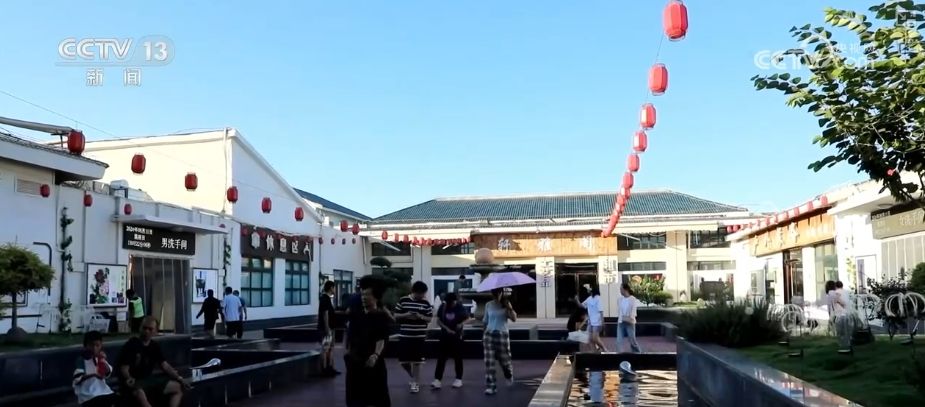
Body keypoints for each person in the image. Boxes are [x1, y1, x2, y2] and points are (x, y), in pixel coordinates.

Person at [117, 316, 191, 407]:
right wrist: (128, 378)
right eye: (144, 328)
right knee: (140, 394)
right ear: (140, 328)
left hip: (149, 381)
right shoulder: (132, 344)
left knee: (177, 387)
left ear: (155, 331)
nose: (147, 331)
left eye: (150, 329)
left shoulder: (154, 346)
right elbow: (124, 368)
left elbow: (165, 365)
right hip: (135, 382)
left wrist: (179, 378)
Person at [344, 281, 392, 407]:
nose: (364, 297)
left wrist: (375, 355)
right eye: (362, 295)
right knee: (354, 397)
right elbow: (349, 336)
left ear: (376, 297)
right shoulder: (355, 315)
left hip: (373, 362)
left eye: (367, 295)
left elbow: (381, 339)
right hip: (355, 361)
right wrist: (348, 352)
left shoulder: (380, 316)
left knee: (379, 396)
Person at [395, 281, 433, 393]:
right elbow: (396, 315)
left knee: (417, 361)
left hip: (419, 336)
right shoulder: (403, 300)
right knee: (403, 361)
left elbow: (429, 318)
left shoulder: (425, 303)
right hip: (405, 335)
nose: (422, 296)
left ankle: (415, 382)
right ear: (414, 292)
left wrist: (420, 316)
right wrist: (407, 314)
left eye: (424, 293)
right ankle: (413, 376)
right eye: (420, 293)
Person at [432, 292, 471, 389]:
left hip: (457, 336)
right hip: (445, 336)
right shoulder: (443, 307)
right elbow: (438, 320)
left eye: (453, 302)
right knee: (441, 358)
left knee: (458, 358)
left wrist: (461, 324)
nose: (452, 304)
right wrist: (446, 329)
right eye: (450, 302)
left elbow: (468, 318)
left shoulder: (460, 307)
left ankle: (458, 379)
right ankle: (437, 379)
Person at [482, 288, 516, 396]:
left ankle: (508, 374)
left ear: (502, 293)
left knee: (505, 361)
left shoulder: (506, 304)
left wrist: (509, 308)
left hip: (502, 334)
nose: (496, 295)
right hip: (489, 335)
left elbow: (514, 319)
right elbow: (485, 321)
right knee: (489, 362)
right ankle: (491, 386)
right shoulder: (488, 305)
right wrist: (483, 334)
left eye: (498, 293)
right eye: (494, 293)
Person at [73, 331, 119, 407]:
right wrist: (93, 375)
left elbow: (107, 373)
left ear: (101, 346)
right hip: (88, 394)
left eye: (97, 345)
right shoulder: (81, 360)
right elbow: (78, 378)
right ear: (85, 346)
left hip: (103, 391)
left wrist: (102, 360)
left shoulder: (100, 358)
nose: (94, 348)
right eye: (91, 345)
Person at [318, 280, 340, 377]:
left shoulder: (327, 299)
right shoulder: (324, 299)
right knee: (326, 348)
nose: (335, 290)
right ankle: (325, 369)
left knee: (330, 348)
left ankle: (330, 368)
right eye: (334, 288)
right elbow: (325, 314)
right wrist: (327, 328)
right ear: (331, 288)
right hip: (327, 328)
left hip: (331, 327)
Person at [577, 286, 607, 352]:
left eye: (590, 290)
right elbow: (581, 305)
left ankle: (604, 349)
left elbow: (601, 311)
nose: (589, 291)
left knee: (595, 338)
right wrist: (577, 300)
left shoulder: (598, 299)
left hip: (597, 322)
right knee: (588, 338)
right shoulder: (589, 298)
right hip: (590, 322)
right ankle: (594, 351)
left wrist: (603, 322)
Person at [616, 283, 642, 353]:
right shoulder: (619, 299)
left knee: (632, 341)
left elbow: (633, 312)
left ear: (626, 290)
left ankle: (637, 353)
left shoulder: (632, 299)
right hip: (621, 322)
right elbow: (619, 311)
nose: (620, 291)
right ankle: (620, 354)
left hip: (630, 322)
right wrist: (621, 318)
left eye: (621, 289)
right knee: (619, 340)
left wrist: (630, 318)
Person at [832, 281, 851, 349]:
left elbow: (837, 299)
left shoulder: (837, 291)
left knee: (840, 330)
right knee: (846, 330)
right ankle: (848, 343)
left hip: (840, 314)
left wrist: (842, 304)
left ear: (836, 286)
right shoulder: (846, 292)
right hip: (846, 313)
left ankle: (842, 344)